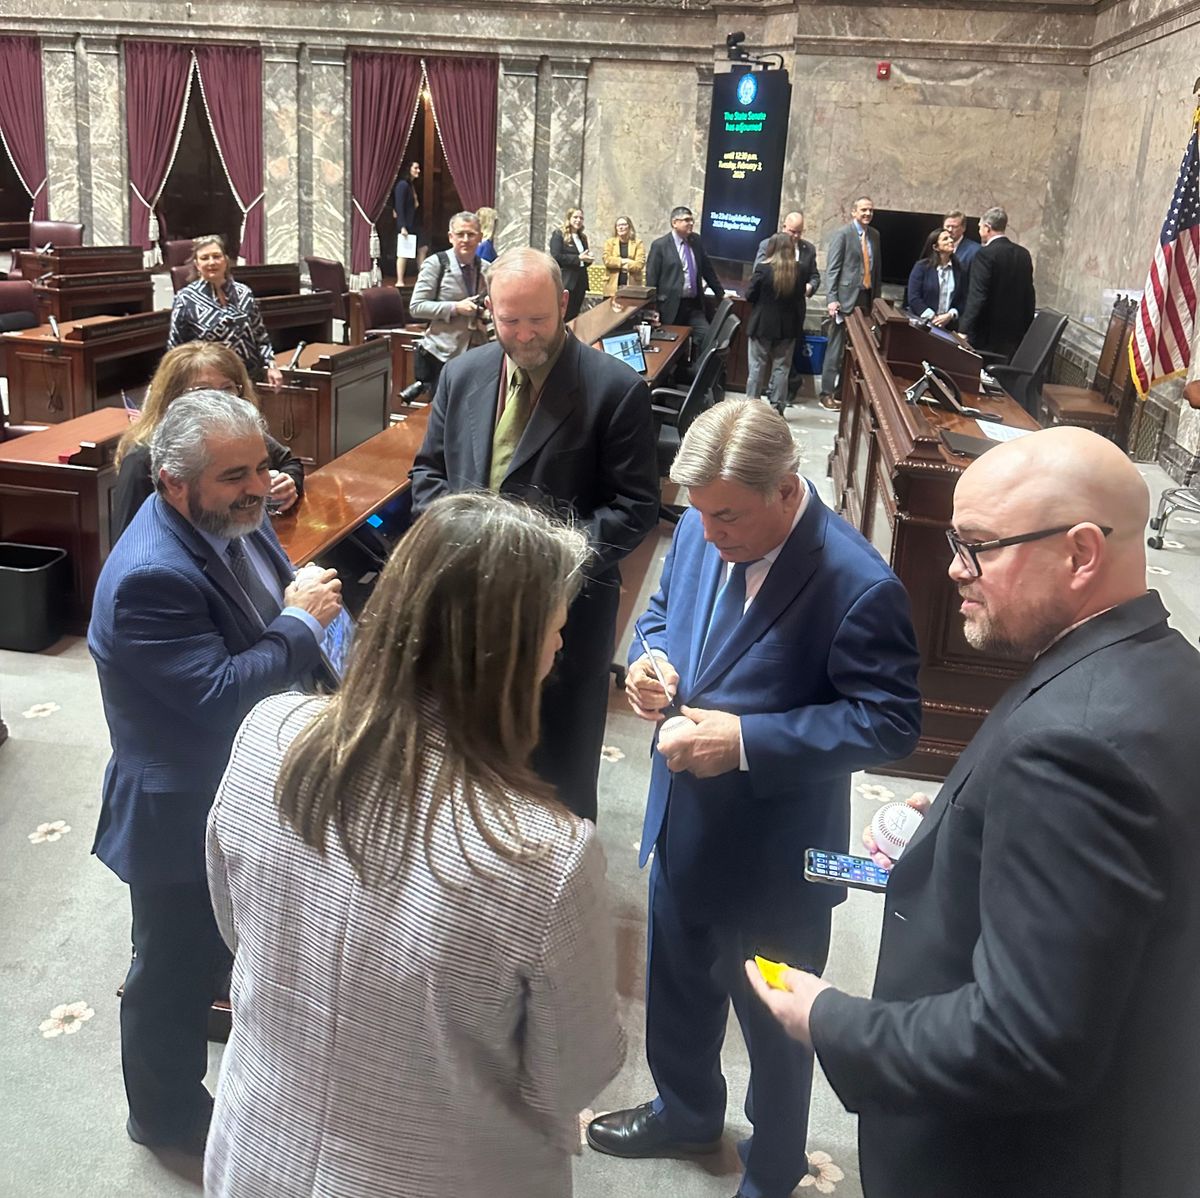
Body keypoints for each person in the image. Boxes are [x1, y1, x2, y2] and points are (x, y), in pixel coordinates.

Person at [746, 426, 1200, 1198]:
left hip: (1010, 1162)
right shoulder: (1166, 665)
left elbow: (1026, 1040)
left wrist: (828, 1019)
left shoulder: (1071, 745)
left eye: (978, 546)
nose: (953, 568)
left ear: (1081, 553)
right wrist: (968, 829)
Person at [204, 492, 625, 1198]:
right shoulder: (547, 856)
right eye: (555, 630)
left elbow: (235, 927)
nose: (560, 650)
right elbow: (572, 1073)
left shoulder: (265, 733)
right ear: (506, 657)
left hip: (258, 1152)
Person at [586, 400, 922, 1198]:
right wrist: (651, 661)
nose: (707, 533)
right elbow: (664, 612)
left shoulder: (858, 582)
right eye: (695, 514)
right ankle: (687, 1110)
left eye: (726, 515)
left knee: (777, 1025)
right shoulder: (711, 525)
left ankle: (774, 1168)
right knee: (677, 987)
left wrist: (743, 743)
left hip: (777, 855)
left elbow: (889, 721)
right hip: (682, 818)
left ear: (784, 489)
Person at [88, 390, 342, 1155]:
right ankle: (161, 1117)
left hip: (235, 785)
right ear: (172, 480)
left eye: (261, 464)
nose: (258, 486)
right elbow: (220, 694)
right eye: (236, 474)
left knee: (210, 949)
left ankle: (210, 1027)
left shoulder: (226, 520)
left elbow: (260, 604)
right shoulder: (149, 578)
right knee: (167, 969)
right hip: (180, 806)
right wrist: (301, 623)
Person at [410, 247, 658, 823]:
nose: (524, 334)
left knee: (557, 777)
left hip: (565, 618)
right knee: (469, 764)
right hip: (469, 609)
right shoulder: (461, 374)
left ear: (565, 305)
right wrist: (460, 541)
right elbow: (427, 473)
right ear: (487, 313)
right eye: (509, 319)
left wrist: (537, 563)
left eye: (538, 319)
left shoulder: (615, 390)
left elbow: (636, 508)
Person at [112, 342, 303, 537]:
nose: (217, 400)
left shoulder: (237, 436)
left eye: (227, 389)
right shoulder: (141, 459)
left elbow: (289, 462)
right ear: (172, 398)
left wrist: (289, 483)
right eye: (202, 391)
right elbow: (129, 541)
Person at [167, 234, 283, 388]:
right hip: (208, 382)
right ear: (196, 264)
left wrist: (271, 366)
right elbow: (175, 347)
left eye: (216, 256)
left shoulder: (243, 293)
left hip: (248, 378)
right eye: (205, 258)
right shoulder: (186, 298)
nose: (211, 262)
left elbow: (260, 336)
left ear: (226, 260)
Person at [408, 211, 491, 398]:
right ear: (450, 237)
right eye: (460, 234)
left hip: (477, 352)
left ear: (480, 237)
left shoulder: (486, 269)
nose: (465, 239)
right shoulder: (436, 264)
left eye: (471, 234)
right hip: (442, 354)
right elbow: (416, 307)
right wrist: (455, 307)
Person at [820, 196, 880, 410]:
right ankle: (826, 392)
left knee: (856, 351)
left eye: (871, 210)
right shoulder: (842, 235)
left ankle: (843, 393)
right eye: (863, 210)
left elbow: (876, 270)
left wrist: (876, 301)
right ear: (854, 212)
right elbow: (833, 269)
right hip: (844, 301)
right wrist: (832, 298)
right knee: (835, 349)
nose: (867, 214)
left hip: (864, 300)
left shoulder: (875, 235)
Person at [959, 205, 1036, 362]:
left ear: (987, 228)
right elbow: (1029, 294)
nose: (979, 231)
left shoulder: (985, 255)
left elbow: (978, 296)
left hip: (986, 336)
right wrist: (1027, 329)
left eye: (980, 227)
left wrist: (964, 330)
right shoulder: (1023, 254)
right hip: (1015, 334)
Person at [745, 232, 810, 413]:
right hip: (788, 327)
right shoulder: (801, 269)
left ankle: (751, 408)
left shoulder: (763, 269)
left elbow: (750, 295)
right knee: (782, 368)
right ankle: (777, 408)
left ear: (771, 248)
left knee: (757, 367)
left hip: (762, 325)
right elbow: (799, 297)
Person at [645, 205, 726, 345]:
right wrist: (652, 309)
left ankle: (697, 365)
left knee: (707, 337)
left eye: (692, 220)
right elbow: (651, 279)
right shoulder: (660, 245)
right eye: (686, 220)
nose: (691, 223)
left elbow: (707, 270)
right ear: (674, 223)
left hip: (693, 305)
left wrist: (721, 293)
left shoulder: (696, 241)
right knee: (670, 345)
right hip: (670, 307)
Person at [904, 228, 966, 328]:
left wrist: (950, 315)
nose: (951, 240)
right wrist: (933, 317)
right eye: (945, 239)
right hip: (922, 323)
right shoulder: (922, 267)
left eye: (950, 238)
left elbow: (962, 299)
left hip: (948, 326)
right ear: (935, 247)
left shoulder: (959, 269)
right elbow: (914, 297)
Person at [548, 207, 593, 321]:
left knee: (574, 314)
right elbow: (556, 256)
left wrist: (588, 260)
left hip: (581, 281)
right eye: (575, 217)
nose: (578, 220)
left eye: (581, 218)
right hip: (566, 281)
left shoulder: (582, 237)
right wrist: (578, 258)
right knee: (563, 314)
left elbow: (583, 259)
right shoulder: (559, 234)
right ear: (569, 218)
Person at [753, 209, 819, 276]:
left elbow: (814, 276)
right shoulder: (767, 245)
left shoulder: (809, 249)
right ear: (784, 227)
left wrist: (810, 285)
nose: (796, 235)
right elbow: (757, 272)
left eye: (799, 232)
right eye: (793, 232)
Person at [393, 160, 424, 283]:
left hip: (414, 222)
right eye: (415, 168)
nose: (418, 171)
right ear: (409, 169)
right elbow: (399, 206)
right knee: (404, 252)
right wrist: (402, 226)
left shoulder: (411, 185)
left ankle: (422, 278)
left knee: (423, 247)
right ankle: (400, 280)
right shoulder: (402, 185)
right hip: (406, 223)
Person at [602, 215, 646, 295]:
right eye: (618, 225)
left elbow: (639, 264)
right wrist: (624, 261)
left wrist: (617, 264)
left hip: (632, 285)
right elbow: (607, 260)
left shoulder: (638, 243)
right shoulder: (609, 242)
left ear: (629, 227)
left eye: (623, 224)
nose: (621, 227)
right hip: (612, 286)